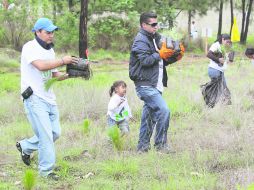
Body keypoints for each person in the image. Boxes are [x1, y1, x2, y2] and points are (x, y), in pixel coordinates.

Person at [16, 17, 79, 180]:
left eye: (53, 32)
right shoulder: (29, 47)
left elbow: (52, 74)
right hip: (34, 97)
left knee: (55, 133)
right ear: (37, 32)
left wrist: (70, 74)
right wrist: (63, 60)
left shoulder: (49, 51)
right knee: (45, 136)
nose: (51, 35)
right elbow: (41, 66)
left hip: (49, 98)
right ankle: (46, 171)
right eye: (48, 32)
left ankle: (26, 146)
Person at [129, 12, 184, 153]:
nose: (156, 27)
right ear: (144, 25)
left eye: (157, 24)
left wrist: (174, 57)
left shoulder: (155, 38)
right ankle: (161, 146)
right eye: (153, 24)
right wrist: (160, 54)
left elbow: (159, 62)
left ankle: (142, 148)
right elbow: (145, 61)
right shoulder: (141, 40)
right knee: (164, 111)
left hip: (155, 84)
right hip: (145, 85)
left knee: (148, 118)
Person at [201, 34, 232, 107]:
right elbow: (208, 54)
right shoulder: (216, 45)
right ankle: (206, 92)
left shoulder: (222, 47)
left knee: (223, 89)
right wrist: (218, 59)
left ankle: (224, 106)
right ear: (223, 39)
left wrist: (227, 59)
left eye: (229, 42)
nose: (228, 43)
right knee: (216, 90)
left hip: (220, 72)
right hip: (214, 71)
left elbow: (222, 60)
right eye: (227, 41)